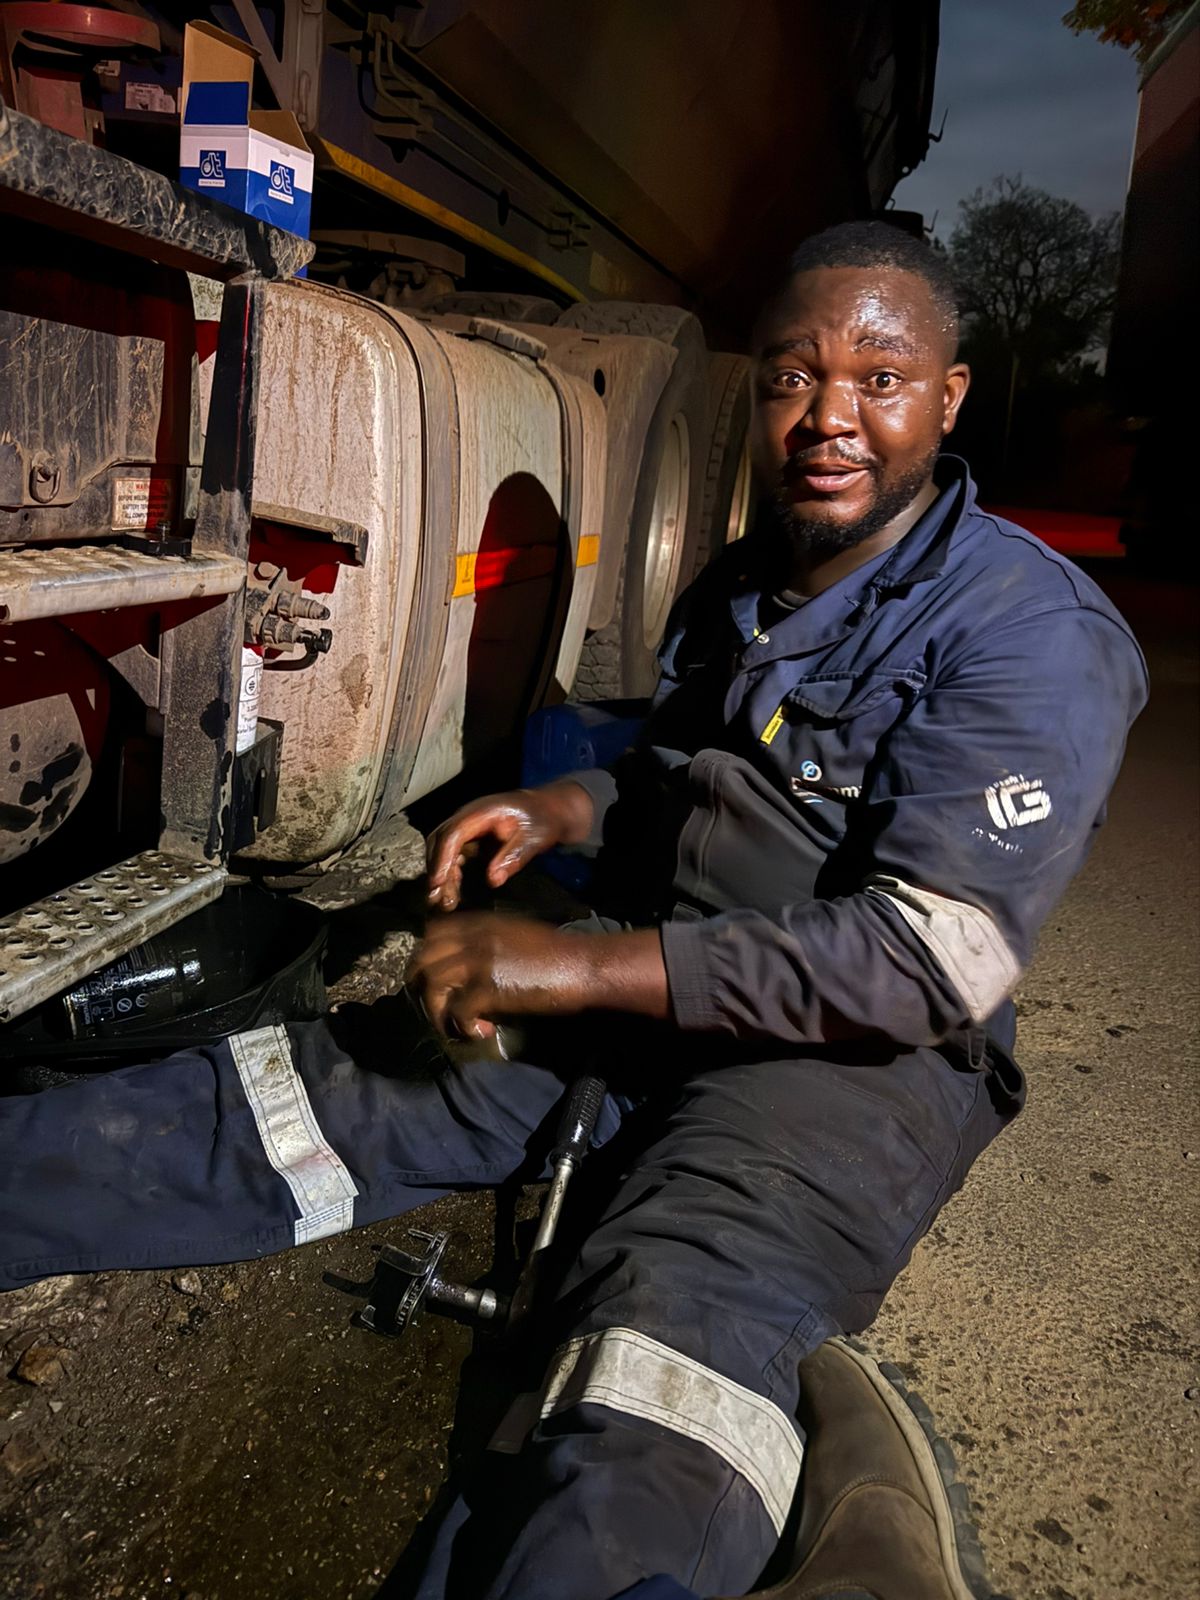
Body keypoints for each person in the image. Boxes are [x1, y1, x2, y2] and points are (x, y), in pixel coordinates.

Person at [0, 223, 1146, 1600]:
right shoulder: (746, 581)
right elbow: (678, 774)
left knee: (660, 1369)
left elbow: (925, 960)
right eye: (793, 375)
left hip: (847, 1073)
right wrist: (563, 813)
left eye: (880, 378)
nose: (829, 417)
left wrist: (569, 974)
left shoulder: (1026, 629)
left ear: (947, 399)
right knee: (319, 1096)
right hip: (646, 984)